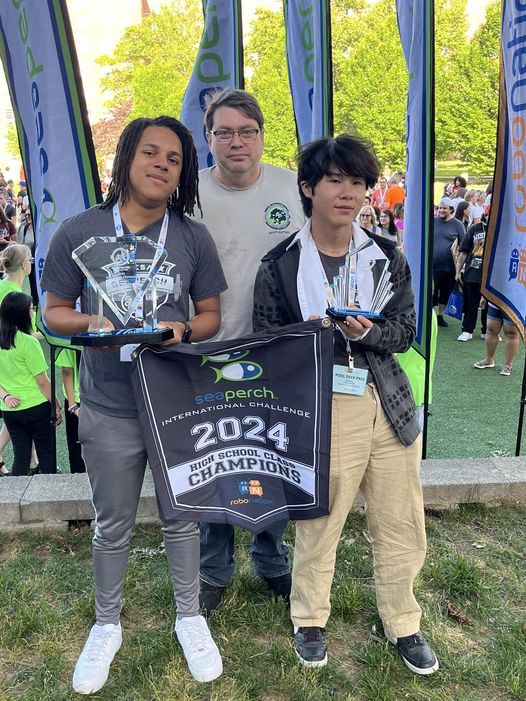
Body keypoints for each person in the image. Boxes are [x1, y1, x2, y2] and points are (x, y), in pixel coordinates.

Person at [41, 116, 227, 694]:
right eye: (150, 152)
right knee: (112, 523)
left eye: (174, 159)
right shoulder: (80, 231)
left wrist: (183, 330)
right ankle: (106, 625)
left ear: (183, 174)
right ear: (125, 158)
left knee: (183, 517)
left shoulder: (192, 237)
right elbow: (53, 312)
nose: (161, 165)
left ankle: (189, 617)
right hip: (108, 402)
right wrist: (90, 324)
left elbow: (211, 316)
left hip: (175, 401)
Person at [253, 134, 438, 675]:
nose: (348, 193)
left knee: (401, 519)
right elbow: (265, 342)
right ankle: (309, 619)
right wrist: (307, 338)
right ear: (308, 188)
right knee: (320, 519)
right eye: (335, 180)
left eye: (358, 182)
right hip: (324, 404)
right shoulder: (281, 263)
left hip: (389, 402)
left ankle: (403, 620)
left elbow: (405, 331)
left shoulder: (385, 255)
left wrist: (369, 333)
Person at [194, 89, 305, 614]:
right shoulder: (188, 193)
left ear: (262, 136)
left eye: (246, 131)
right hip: (204, 350)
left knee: (271, 458)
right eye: (224, 132)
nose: (236, 142)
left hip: (277, 351)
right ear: (208, 137)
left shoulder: (292, 187)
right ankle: (213, 569)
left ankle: (271, 558)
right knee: (213, 462)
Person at [0, 291, 59, 475]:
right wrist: (56, 405)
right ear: (23, 313)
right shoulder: (28, 342)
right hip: (36, 406)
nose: (33, 312)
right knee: (46, 454)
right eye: (32, 308)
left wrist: (6, 397)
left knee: (21, 455)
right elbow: (42, 381)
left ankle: (15, 492)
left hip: (10, 410)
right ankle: (50, 491)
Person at [0, 243, 39, 476]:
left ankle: (33, 461)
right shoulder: (13, 293)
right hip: (15, 361)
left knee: (15, 411)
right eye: (30, 260)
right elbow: (24, 335)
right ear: (25, 265)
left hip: (8, 362)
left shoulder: (6, 287)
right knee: (20, 409)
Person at [455, 212, 488, 342]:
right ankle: (467, 330)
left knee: (490, 305)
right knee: (470, 303)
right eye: (488, 213)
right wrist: (458, 271)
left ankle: (487, 331)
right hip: (472, 272)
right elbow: (463, 252)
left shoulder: (499, 230)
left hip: (490, 275)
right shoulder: (474, 228)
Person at [432, 197, 465, 327]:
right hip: (432, 266)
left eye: (444, 208)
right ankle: (429, 316)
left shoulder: (458, 224)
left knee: (445, 292)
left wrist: (459, 266)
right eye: (440, 208)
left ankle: (440, 315)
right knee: (431, 292)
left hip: (449, 266)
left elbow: (463, 245)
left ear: (451, 210)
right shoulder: (433, 222)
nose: (441, 210)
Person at [473, 303, 520, 376]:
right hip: (495, 302)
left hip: (514, 305)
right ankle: (489, 360)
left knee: (511, 333)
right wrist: (485, 298)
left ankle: (508, 365)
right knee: (491, 330)